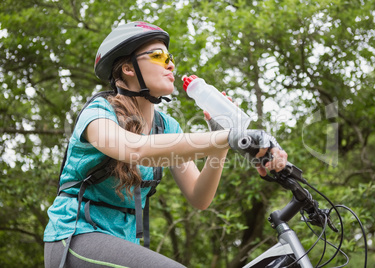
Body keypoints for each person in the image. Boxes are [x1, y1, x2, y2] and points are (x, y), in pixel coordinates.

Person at [43, 21, 288, 268]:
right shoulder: (98, 113)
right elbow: (135, 149)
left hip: (122, 244)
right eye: (158, 56)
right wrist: (228, 138)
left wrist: (221, 142)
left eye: (169, 57)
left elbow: (199, 197)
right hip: (73, 238)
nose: (170, 64)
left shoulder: (166, 126)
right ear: (128, 68)